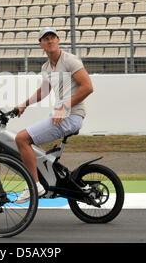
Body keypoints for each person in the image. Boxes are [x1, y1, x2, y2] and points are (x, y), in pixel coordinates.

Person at [13, 27, 94, 203]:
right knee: (33, 144)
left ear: (58, 40)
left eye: (52, 37)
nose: (49, 41)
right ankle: (48, 178)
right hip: (60, 114)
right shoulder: (46, 67)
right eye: (45, 39)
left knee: (21, 139)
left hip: (71, 115)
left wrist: (64, 107)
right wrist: (24, 104)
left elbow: (88, 87)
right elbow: (43, 91)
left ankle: (35, 185)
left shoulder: (70, 60)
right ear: (41, 44)